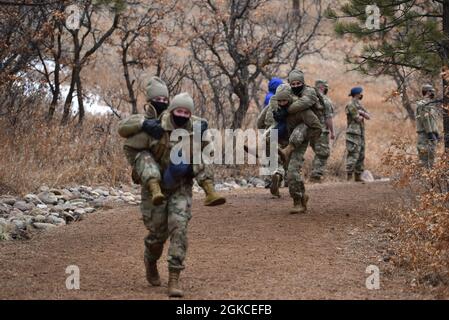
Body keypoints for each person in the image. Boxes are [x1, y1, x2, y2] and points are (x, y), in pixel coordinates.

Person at [134, 92, 221, 297]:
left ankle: (174, 278)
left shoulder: (197, 129)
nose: (182, 115)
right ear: (172, 110)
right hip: (155, 185)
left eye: (186, 112)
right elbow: (133, 149)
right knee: (157, 234)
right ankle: (151, 259)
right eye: (179, 111)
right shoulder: (156, 126)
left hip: (181, 186)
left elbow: (209, 153)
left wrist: (194, 165)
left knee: (179, 228)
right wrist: (141, 170)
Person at [118, 77, 225, 207]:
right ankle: (155, 189)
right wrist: (144, 124)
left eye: (164, 99)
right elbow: (122, 129)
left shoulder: (172, 116)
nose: (161, 102)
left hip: (173, 166)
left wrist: (203, 124)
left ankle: (209, 191)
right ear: (150, 100)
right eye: (157, 99)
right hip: (153, 167)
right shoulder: (143, 120)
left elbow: (191, 117)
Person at [309, 79, 335, 182]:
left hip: (308, 130)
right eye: (326, 87)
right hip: (321, 130)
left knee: (317, 152)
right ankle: (316, 176)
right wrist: (332, 132)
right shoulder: (325, 100)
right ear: (322, 87)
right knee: (323, 153)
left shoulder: (309, 99)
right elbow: (328, 118)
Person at [345, 86, 370, 182]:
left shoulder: (359, 104)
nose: (361, 94)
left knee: (361, 154)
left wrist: (361, 112)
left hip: (360, 133)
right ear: (357, 94)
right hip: (353, 133)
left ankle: (358, 175)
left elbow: (368, 116)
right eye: (360, 93)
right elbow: (358, 118)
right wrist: (361, 114)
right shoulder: (350, 105)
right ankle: (349, 176)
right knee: (353, 154)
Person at [415, 84, 441, 168]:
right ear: (427, 92)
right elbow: (425, 120)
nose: (433, 93)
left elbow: (432, 121)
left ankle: (430, 179)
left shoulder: (431, 105)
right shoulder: (422, 105)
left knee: (432, 159)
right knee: (424, 160)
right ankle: (423, 179)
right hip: (424, 135)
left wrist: (436, 133)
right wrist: (430, 132)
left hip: (431, 135)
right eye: (431, 91)